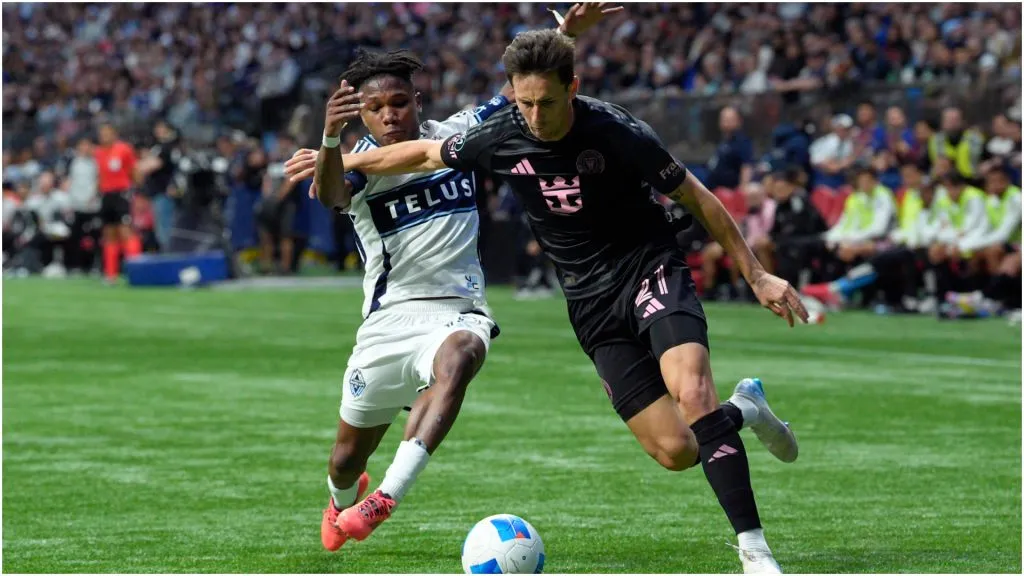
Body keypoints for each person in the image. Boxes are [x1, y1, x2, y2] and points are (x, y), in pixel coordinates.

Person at [335, 28, 807, 573]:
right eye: (526, 102)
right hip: (589, 302)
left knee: (694, 391)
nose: (536, 116)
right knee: (675, 450)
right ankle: (746, 409)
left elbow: (696, 197)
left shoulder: (618, 132)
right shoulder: (502, 135)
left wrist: (757, 275)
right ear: (514, 94)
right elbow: (422, 152)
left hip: (648, 268)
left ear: (573, 88)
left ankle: (755, 550)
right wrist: (342, 163)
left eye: (548, 103)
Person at [281, 4, 621, 553]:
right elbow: (333, 194)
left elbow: (517, 95)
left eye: (398, 102)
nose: (389, 115)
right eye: (375, 108)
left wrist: (565, 34)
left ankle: (386, 497)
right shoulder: (358, 163)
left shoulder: (455, 135)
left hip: (457, 309)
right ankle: (343, 499)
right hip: (388, 322)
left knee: (459, 356)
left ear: (417, 101)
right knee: (345, 459)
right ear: (361, 116)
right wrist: (328, 141)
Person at [93, 123, 141, 282]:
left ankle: (136, 271)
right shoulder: (98, 152)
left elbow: (134, 171)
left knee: (125, 231)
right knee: (109, 233)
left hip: (121, 194)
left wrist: (137, 192)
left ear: (114, 134)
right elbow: (100, 175)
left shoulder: (124, 149)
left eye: (107, 133)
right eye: (102, 133)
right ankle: (110, 274)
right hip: (106, 195)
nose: (104, 136)